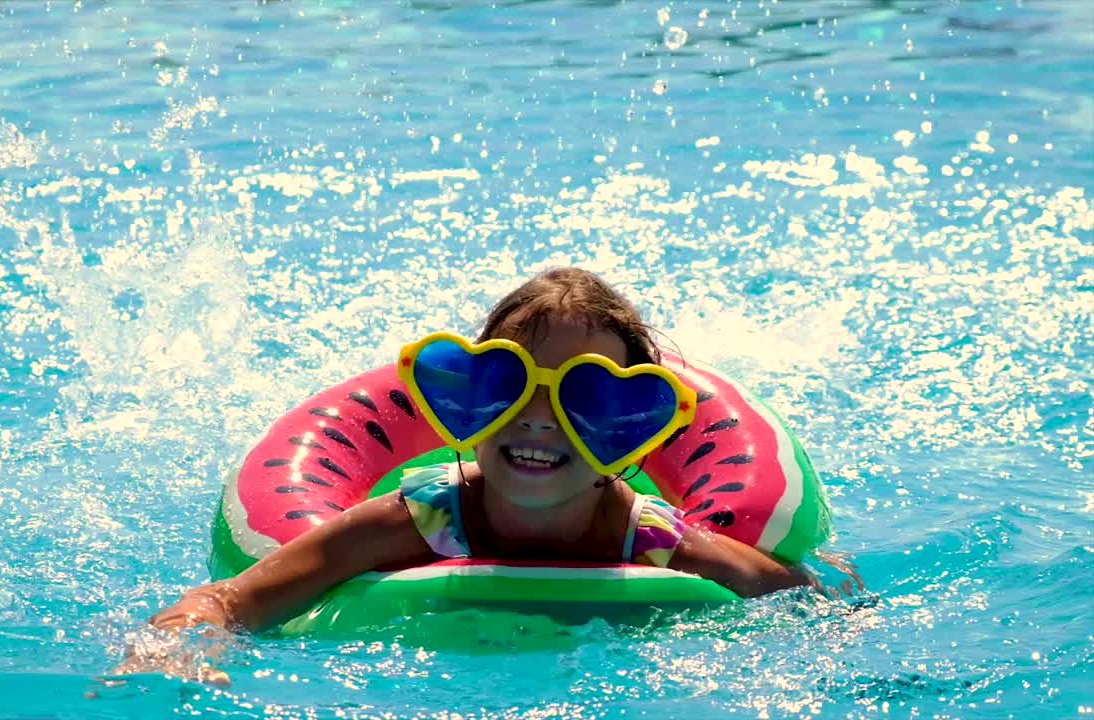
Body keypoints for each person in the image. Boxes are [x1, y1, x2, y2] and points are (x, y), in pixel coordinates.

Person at [115, 268, 815, 681]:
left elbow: (801, 597)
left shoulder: (650, 538)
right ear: (469, 402)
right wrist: (173, 646)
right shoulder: (417, 519)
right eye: (510, 384)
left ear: (628, 426)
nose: (538, 419)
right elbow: (228, 600)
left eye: (585, 398)